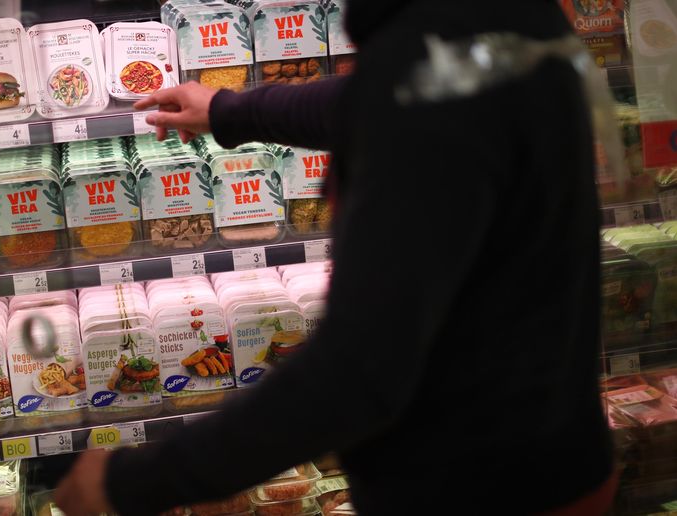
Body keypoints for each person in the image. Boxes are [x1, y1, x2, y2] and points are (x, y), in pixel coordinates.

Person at [56, 0, 617, 513]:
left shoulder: (427, 62)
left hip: (476, 488)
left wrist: (131, 483)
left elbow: (360, 370)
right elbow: (382, 99)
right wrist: (232, 111)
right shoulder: (501, 17)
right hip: (553, 454)